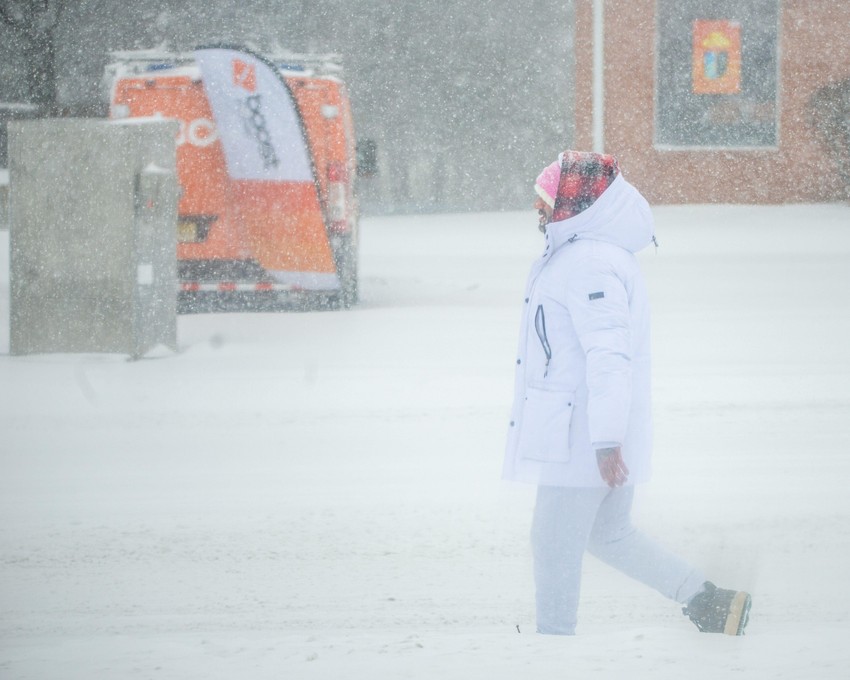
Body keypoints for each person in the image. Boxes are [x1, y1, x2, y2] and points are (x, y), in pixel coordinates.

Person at [502, 150, 752, 636]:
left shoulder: (590, 263)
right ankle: (709, 602)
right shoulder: (586, 254)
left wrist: (605, 439)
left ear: (573, 203)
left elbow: (610, 356)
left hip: (584, 435)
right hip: (592, 428)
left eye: (544, 198)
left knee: (553, 542)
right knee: (609, 534)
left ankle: (553, 647)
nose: (536, 208)